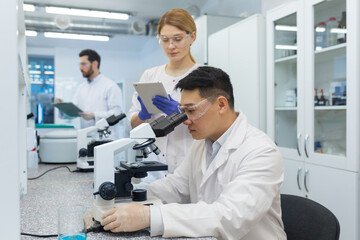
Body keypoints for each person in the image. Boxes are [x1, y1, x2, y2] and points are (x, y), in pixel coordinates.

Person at [101, 66, 286, 240]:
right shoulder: (202, 143)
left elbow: (230, 216)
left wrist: (149, 216)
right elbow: (177, 186)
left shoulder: (260, 151)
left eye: (191, 111)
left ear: (221, 105)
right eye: (182, 111)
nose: (185, 120)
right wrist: (127, 196)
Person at [127, 9, 201, 185]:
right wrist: (143, 115)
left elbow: (214, 126)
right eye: (164, 40)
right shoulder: (150, 75)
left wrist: (182, 114)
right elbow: (133, 124)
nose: (170, 46)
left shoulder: (204, 76)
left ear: (192, 37)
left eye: (177, 39)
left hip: (190, 165)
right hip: (153, 168)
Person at [55, 49, 123, 138]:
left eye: (83, 64)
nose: (80, 68)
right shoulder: (81, 88)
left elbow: (117, 114)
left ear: (95, 64)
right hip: (85, 137)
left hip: (105, 140)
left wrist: (95, 115)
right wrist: (62, 106)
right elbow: (73, 113)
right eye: (80, 64)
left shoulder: (110, 86)